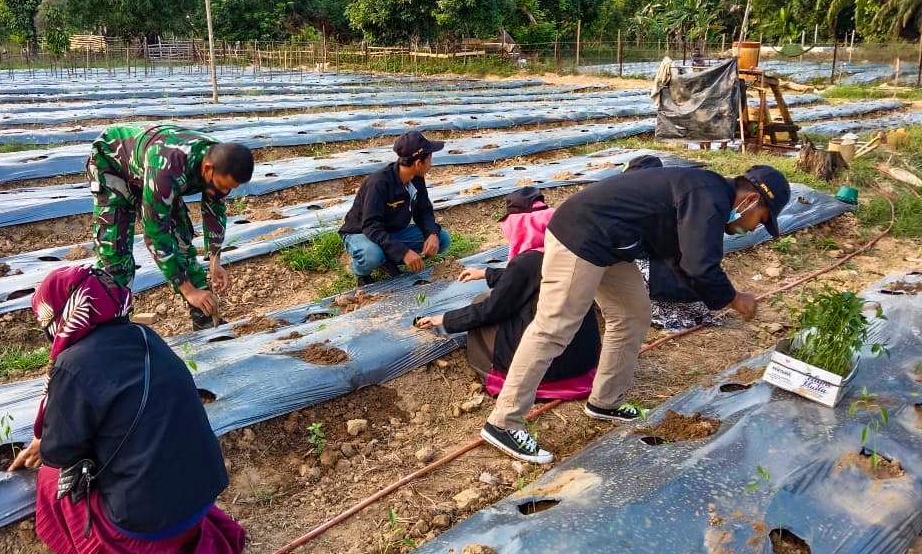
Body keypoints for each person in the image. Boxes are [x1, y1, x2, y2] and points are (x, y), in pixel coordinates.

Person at [480, 164, 791, 464]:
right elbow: (700, 265)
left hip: (611, 243)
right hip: (581, 235)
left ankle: (606, 401)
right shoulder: (709, 197)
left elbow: (683, 259)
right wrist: (734, 298)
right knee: (555, 326)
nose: (753, 228)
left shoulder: (706, 194)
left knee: (633, 314)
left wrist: (712, 296)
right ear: (751, 200)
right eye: (761, 220)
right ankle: (504, 422)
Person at [8, 265, 245, 554]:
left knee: (48, 479)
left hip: (148, 528)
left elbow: (60, 454)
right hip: (200, 501)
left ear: (60, 317)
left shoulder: (72, 364)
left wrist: (48, 441)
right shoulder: (147, 336)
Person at [415, 187, 600, 399]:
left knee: (482, 304)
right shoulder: (565, 251)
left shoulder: (526, 262)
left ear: (520, 227)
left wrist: (444, 319)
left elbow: (492, 309)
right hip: (582, 363)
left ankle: (495, 373)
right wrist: (485, 273)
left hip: (550, 372)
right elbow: (528, 278)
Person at [86, 124, 254, 330]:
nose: (225, 191)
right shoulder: (166, 171)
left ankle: (202, 315)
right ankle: (111, 325)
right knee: (115, 251)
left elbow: (215, 209)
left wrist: (214, 260)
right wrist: (189, 291)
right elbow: (155, 235)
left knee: (181, 237)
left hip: (150, 168)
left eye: (231, 188)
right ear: (208, 168)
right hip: (112, 162)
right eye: (223, 185)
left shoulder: (220, 159)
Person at [339, 130, 451, 286]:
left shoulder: (416, 179)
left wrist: (432, 233)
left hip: (391, 232)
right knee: (371, 255)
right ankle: (361, 273)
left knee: (442, 239)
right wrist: (403, 252)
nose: (431, 164)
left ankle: (388, 259)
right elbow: (371, 226)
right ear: (418, 163)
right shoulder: (379, 183)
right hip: (362, 232)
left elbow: (423, 210)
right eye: (430, 159)